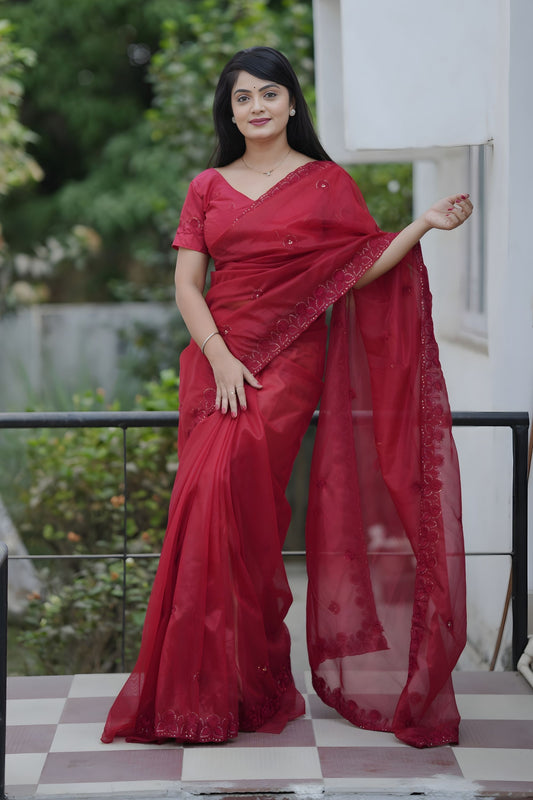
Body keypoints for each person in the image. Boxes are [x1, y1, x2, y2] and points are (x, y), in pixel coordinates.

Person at [102, 46, 472, 749]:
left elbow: (359, 269)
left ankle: (231, 686)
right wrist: (219, 357)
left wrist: (419, 225)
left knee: (230, 499)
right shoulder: (207, 185)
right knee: (207, 505)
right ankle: (219, 690)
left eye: (269, 94)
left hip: (287, 363)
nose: (257, 107)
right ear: (230, 112)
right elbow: (186, 285)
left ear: (292, 104)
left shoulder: (327, 182)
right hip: (217, 360)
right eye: (242, 98)